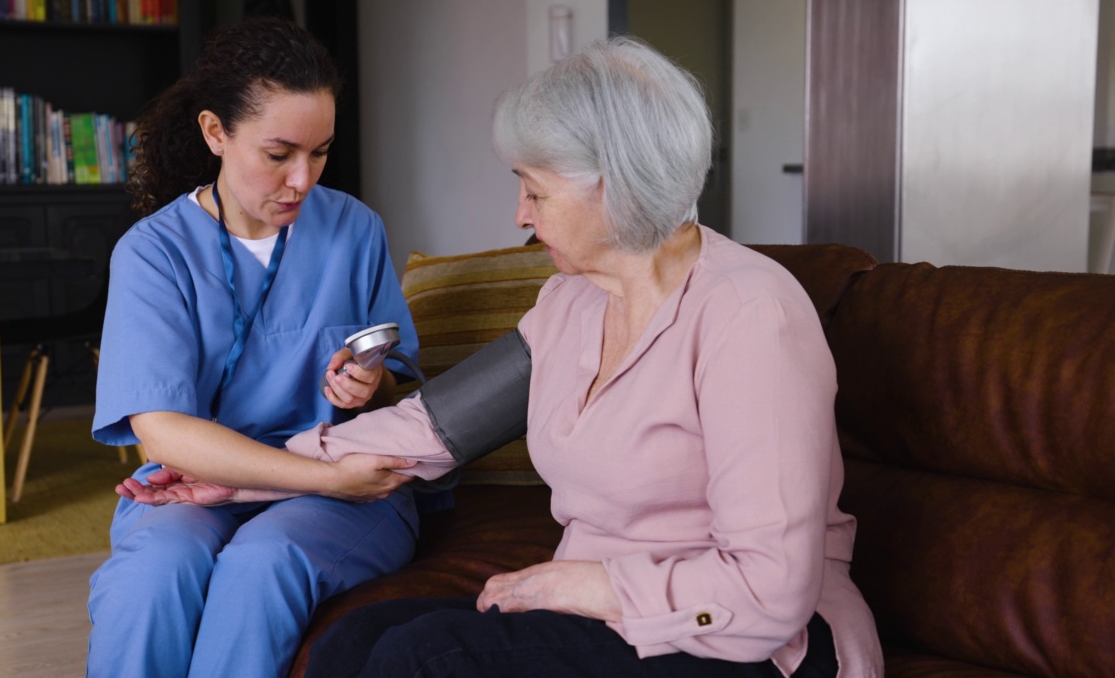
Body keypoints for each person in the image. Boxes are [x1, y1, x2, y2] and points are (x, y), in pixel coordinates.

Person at [125, 36, 885, 676]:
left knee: (419, 657)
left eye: (536, 191)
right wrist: (236, 482)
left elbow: (769, 592)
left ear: (613, 187)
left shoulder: (750, 317)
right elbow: (429, 427)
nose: (519, 216)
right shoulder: (572, 302)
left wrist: (588, 586)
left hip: (735, 637)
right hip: (602, 607)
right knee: (354, 642)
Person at [86, 16, 423, 678]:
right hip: (209, 483)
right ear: (216, 133)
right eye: (279, 155)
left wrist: (369, 382)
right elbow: (166, 436)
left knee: (263, 563)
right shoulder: (154, 254)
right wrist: (331, 478)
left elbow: (397, 384)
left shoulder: (354, 231)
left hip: (335, 495)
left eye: (320, 151)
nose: (303, 178)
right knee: (152, 573)